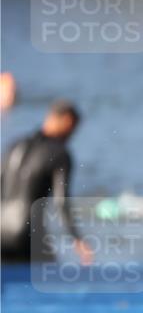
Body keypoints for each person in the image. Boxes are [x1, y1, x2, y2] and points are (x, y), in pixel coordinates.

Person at [1, 100, 93, 264]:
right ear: (66, 121)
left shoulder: (14, 145)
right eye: (72, 129)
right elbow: (61, 202)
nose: (71, 135)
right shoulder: (60, 154)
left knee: (7, 285)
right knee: (51, 283)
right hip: (26, 234)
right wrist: (77, 239)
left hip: (1, 232)